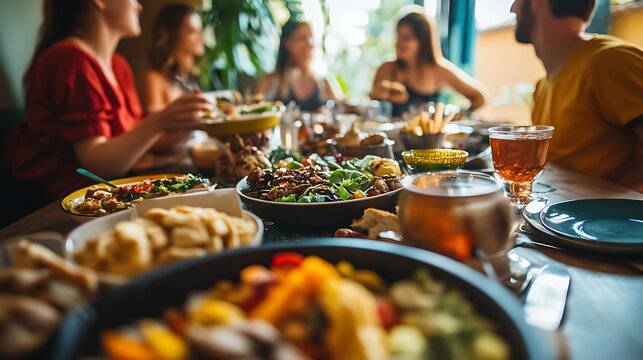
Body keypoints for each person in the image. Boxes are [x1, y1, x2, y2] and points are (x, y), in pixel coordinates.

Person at [1, 0, 211, 224]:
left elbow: (131, 141)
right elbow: (97, 162)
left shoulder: (118, 66)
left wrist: (187, 122)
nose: (138, 5)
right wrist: (159, 122)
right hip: (59, 207)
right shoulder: (69, 60)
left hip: (110, 195)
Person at [511, 0, 643, 190]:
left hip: (604, 218)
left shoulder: (610, 61)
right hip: (556, 215)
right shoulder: (542, 86)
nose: (512, 7)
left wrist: (594, 204)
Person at [371, 9, 488, 117]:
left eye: (407, 37)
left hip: (426, 139)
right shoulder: (386, 68)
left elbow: (480, 97)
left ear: (423, 41)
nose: (399, 42)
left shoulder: (439, 70)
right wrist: (382, 94)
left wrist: (456, 116)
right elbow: (372, 105)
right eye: (398, 36)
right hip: (390, 138)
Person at [255, 19, 342, 112]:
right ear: (287, 43)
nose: (310, 44)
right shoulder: (269, 82)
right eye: (301, 38)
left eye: (311, 38)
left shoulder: (324, 84)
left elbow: (342, 110)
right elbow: (253, 111)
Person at [144, 4, 204, 113]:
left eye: (200, 30)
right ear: (172, 34)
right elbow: (153, 120)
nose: (201, 37)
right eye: (191, 31)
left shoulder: (190, 78)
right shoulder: (155, 78)